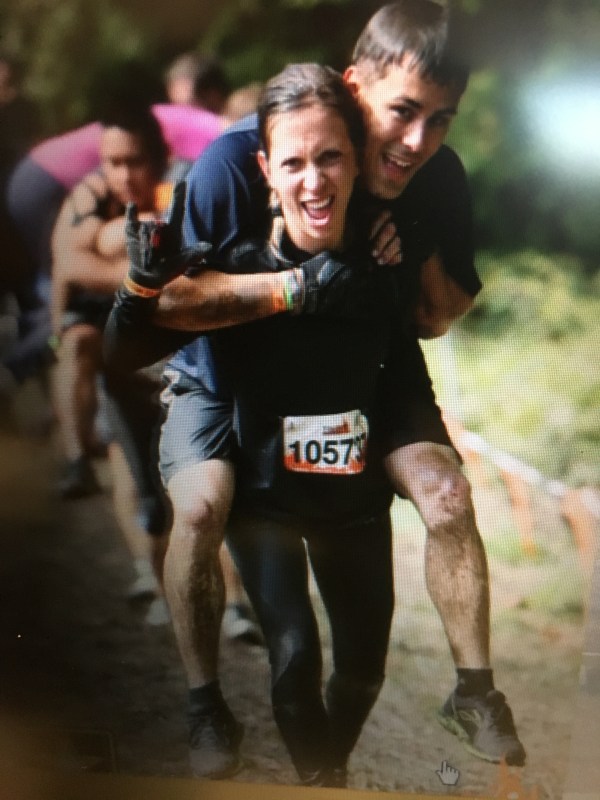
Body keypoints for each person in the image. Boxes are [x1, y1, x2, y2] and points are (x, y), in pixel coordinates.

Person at [108, 0, 525, 777]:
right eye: (403, 111)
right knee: (201, 507)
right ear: (354, 85)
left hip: (366, 364)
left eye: (440, 120)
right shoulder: (236, 160)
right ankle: (203, 702)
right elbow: (170, 305)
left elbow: (436, 318)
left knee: (447, 496)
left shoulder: (434, 174)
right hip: (228, 368)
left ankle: (473, 692)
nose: (418, 140)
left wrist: (411, 242)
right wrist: (295, 287)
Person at [110, 61, 404, 786]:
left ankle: (327, 772)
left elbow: (416, 357)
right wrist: (139, 288)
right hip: (264, 491)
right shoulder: (234, 264)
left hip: (354, 504)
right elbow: (129, 349)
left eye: (330, 158)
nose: (314, 180)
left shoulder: (384, 254)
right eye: (294, 163)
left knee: (363, 670)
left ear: (357, 163)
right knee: (294, 655)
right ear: (267, 173)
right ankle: (254, 737)